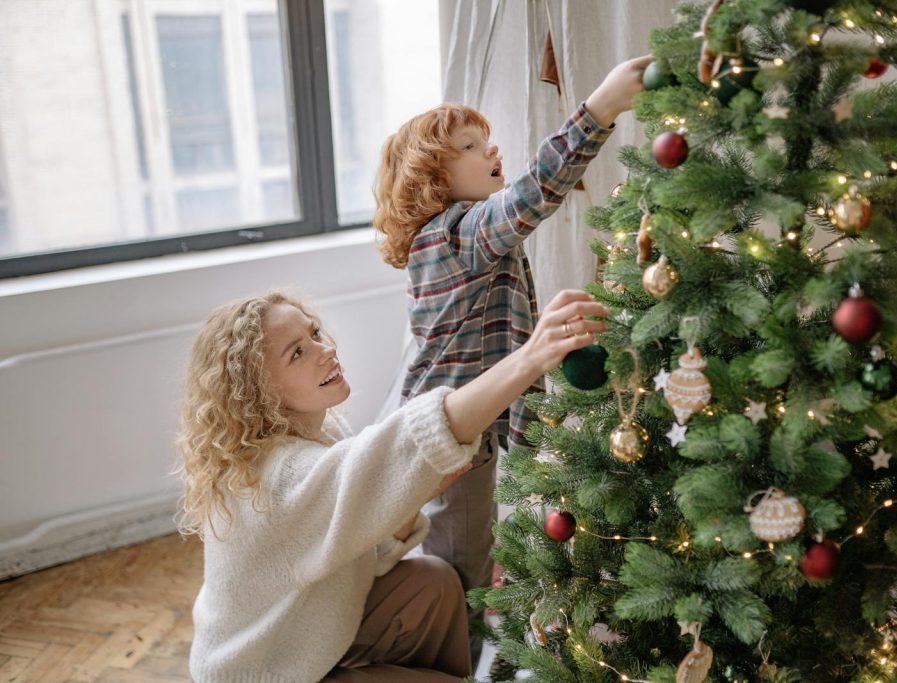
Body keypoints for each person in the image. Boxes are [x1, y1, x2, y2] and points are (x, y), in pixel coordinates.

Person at [177, 288, 608, 682]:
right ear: (259, 390)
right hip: (267, 674)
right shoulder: (278, 477)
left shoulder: (318, 435)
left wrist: (417, 493)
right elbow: (407, 441)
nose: (325, 351)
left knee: (431, 584)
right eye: (297, 353)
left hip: (304, 640)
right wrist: (532, 355)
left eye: (314, 334)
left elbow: (352, 548)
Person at [371, 54, 650, 662]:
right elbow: (531, 196)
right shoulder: (452, 234)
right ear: (432, 179)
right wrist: (599, 108)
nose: (490, 149)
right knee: (457, 564)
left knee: (478, 552)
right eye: (471, 146)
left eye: (486, 139)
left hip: (469, 424)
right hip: (445, 431)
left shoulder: (466, 236)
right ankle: (453, 662)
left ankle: (475, 646)